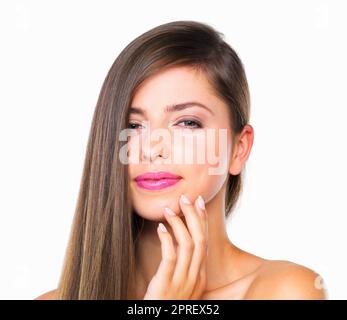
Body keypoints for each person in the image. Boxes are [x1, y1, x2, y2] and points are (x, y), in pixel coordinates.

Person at [35, 20, 327, 300]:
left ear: (239, 149)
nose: (153, 148)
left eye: (187, 123)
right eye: (133, 125)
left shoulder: (285, 291)